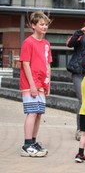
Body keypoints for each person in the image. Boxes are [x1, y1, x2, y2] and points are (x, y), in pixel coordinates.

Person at [19, 11, 52, 157]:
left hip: (41, 84)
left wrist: (48, 84)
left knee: (38, 114)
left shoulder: (46, 44)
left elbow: (47, 64)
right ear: (33, 25)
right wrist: (32, 85)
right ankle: (26, 145)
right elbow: (26, 64)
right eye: (41, 24)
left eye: (46, 24)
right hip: (30, 83)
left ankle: (33, 141)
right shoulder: (28, 42)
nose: (44, 27)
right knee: (32, 112)